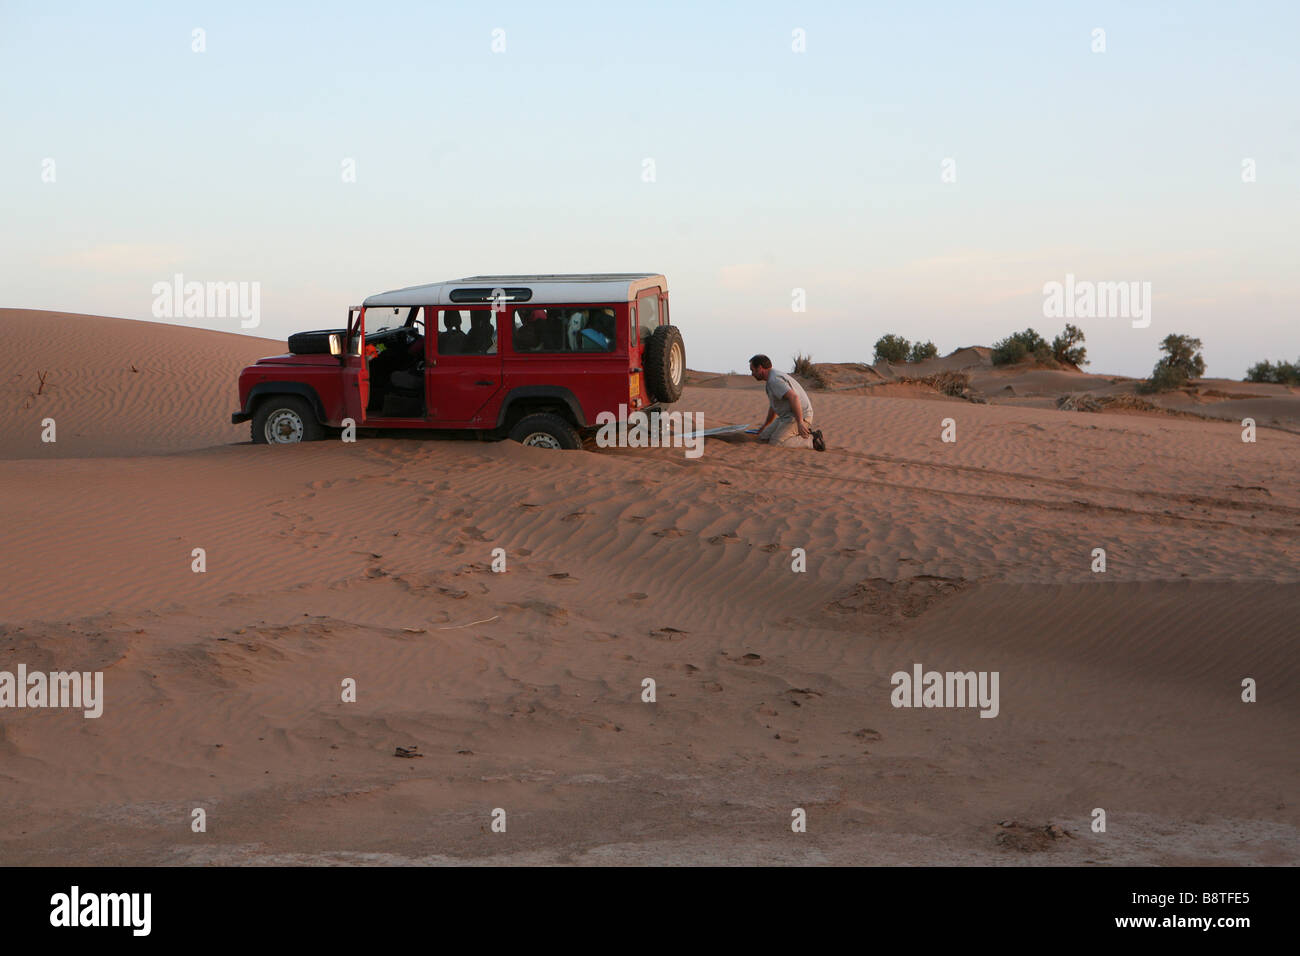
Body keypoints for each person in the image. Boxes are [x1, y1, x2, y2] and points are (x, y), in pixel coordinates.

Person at [748, 354, 825, 450]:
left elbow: (794, 397)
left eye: (752, 370)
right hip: (786, 417)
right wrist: (765, 425)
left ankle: (811, 440)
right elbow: (774, 406)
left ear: (760, 368)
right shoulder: (771, 380)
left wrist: (800, 422)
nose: (752, 374)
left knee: (776, 443)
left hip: (800, 416)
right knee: (763, 438)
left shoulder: (774, 380)